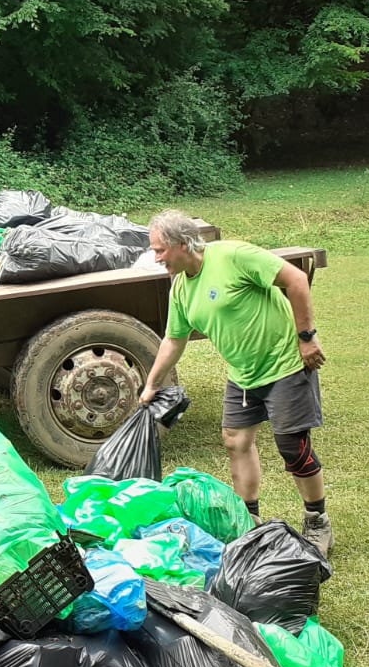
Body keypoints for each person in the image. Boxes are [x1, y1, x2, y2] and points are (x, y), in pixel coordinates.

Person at [138, 210, 333, 557]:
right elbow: (174, 339)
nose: (156, 258)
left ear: (183, 244)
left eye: (160, 250)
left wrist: (306, 337)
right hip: (244, 374)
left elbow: (296, 280)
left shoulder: (233, 256)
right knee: (235, 440)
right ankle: (249, 524)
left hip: (285, 363)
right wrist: (151, 383)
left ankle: (317, 521)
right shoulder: (181, 288)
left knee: (292, 446)